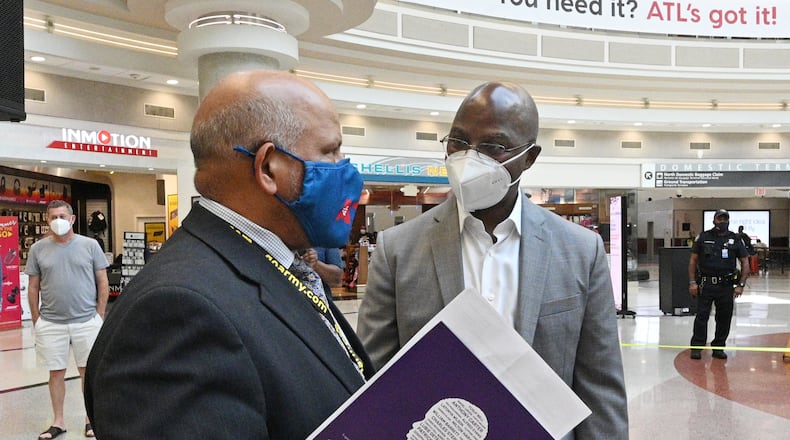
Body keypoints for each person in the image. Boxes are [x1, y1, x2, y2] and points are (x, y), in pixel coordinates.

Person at [84, 70, 373, 439]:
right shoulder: (176, 316)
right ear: (269, 167)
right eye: (331, 151)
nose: (345, 167)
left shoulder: (276, 266)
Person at [357, 81, 628, 439]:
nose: (469, 157)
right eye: (458, 141)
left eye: (493, 146)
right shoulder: (398, 249)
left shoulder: (581, 251)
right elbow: (372, 380)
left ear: (529, 157)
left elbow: (600, 388)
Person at [26, 200, 109, 439]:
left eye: (62, 216)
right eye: (53, 217)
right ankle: (58, 421)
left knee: (88, 372)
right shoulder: (37, 249)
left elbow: (102, 281)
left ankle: (90, 419)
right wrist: (36, 319)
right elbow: (33, 286)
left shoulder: (90, 245)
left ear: (72, 219)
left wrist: (99, 313)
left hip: (86, 321)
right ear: (47, 221)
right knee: (56, 372)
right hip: (51, 323)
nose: (58, 221)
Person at [688, 209, 749, 360]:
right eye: (719, 219)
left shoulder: (735, 239)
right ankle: (697, 347)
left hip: (726, 287)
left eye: (725, 219)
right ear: (714, 220)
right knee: (701, 317)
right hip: (706, 285)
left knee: (724, 318)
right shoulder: (703, 237)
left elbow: (745, 261)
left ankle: (719, 347)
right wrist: (692, 282)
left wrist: (741, 284)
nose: (722, 222)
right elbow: (693, 261)